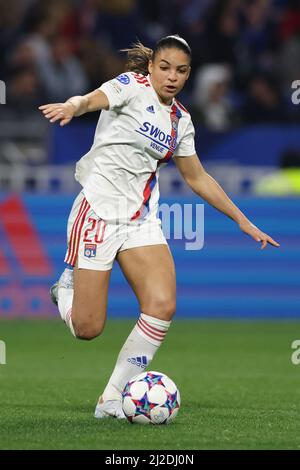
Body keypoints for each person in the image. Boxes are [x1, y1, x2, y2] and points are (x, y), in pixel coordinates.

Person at [39, 35, 280, 420]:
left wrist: (243, 221)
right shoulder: (129, 87)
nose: (171, 77)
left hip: (140, 220)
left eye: (181, 71)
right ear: (150, 66)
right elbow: (90, 100)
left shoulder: (180, 121)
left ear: (188, 75)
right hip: (98, 210)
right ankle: (63, 289)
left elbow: (197, 177)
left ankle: (112, 399)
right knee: (87, 329)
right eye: (165, 67)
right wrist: (73, 106)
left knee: (162, 305)